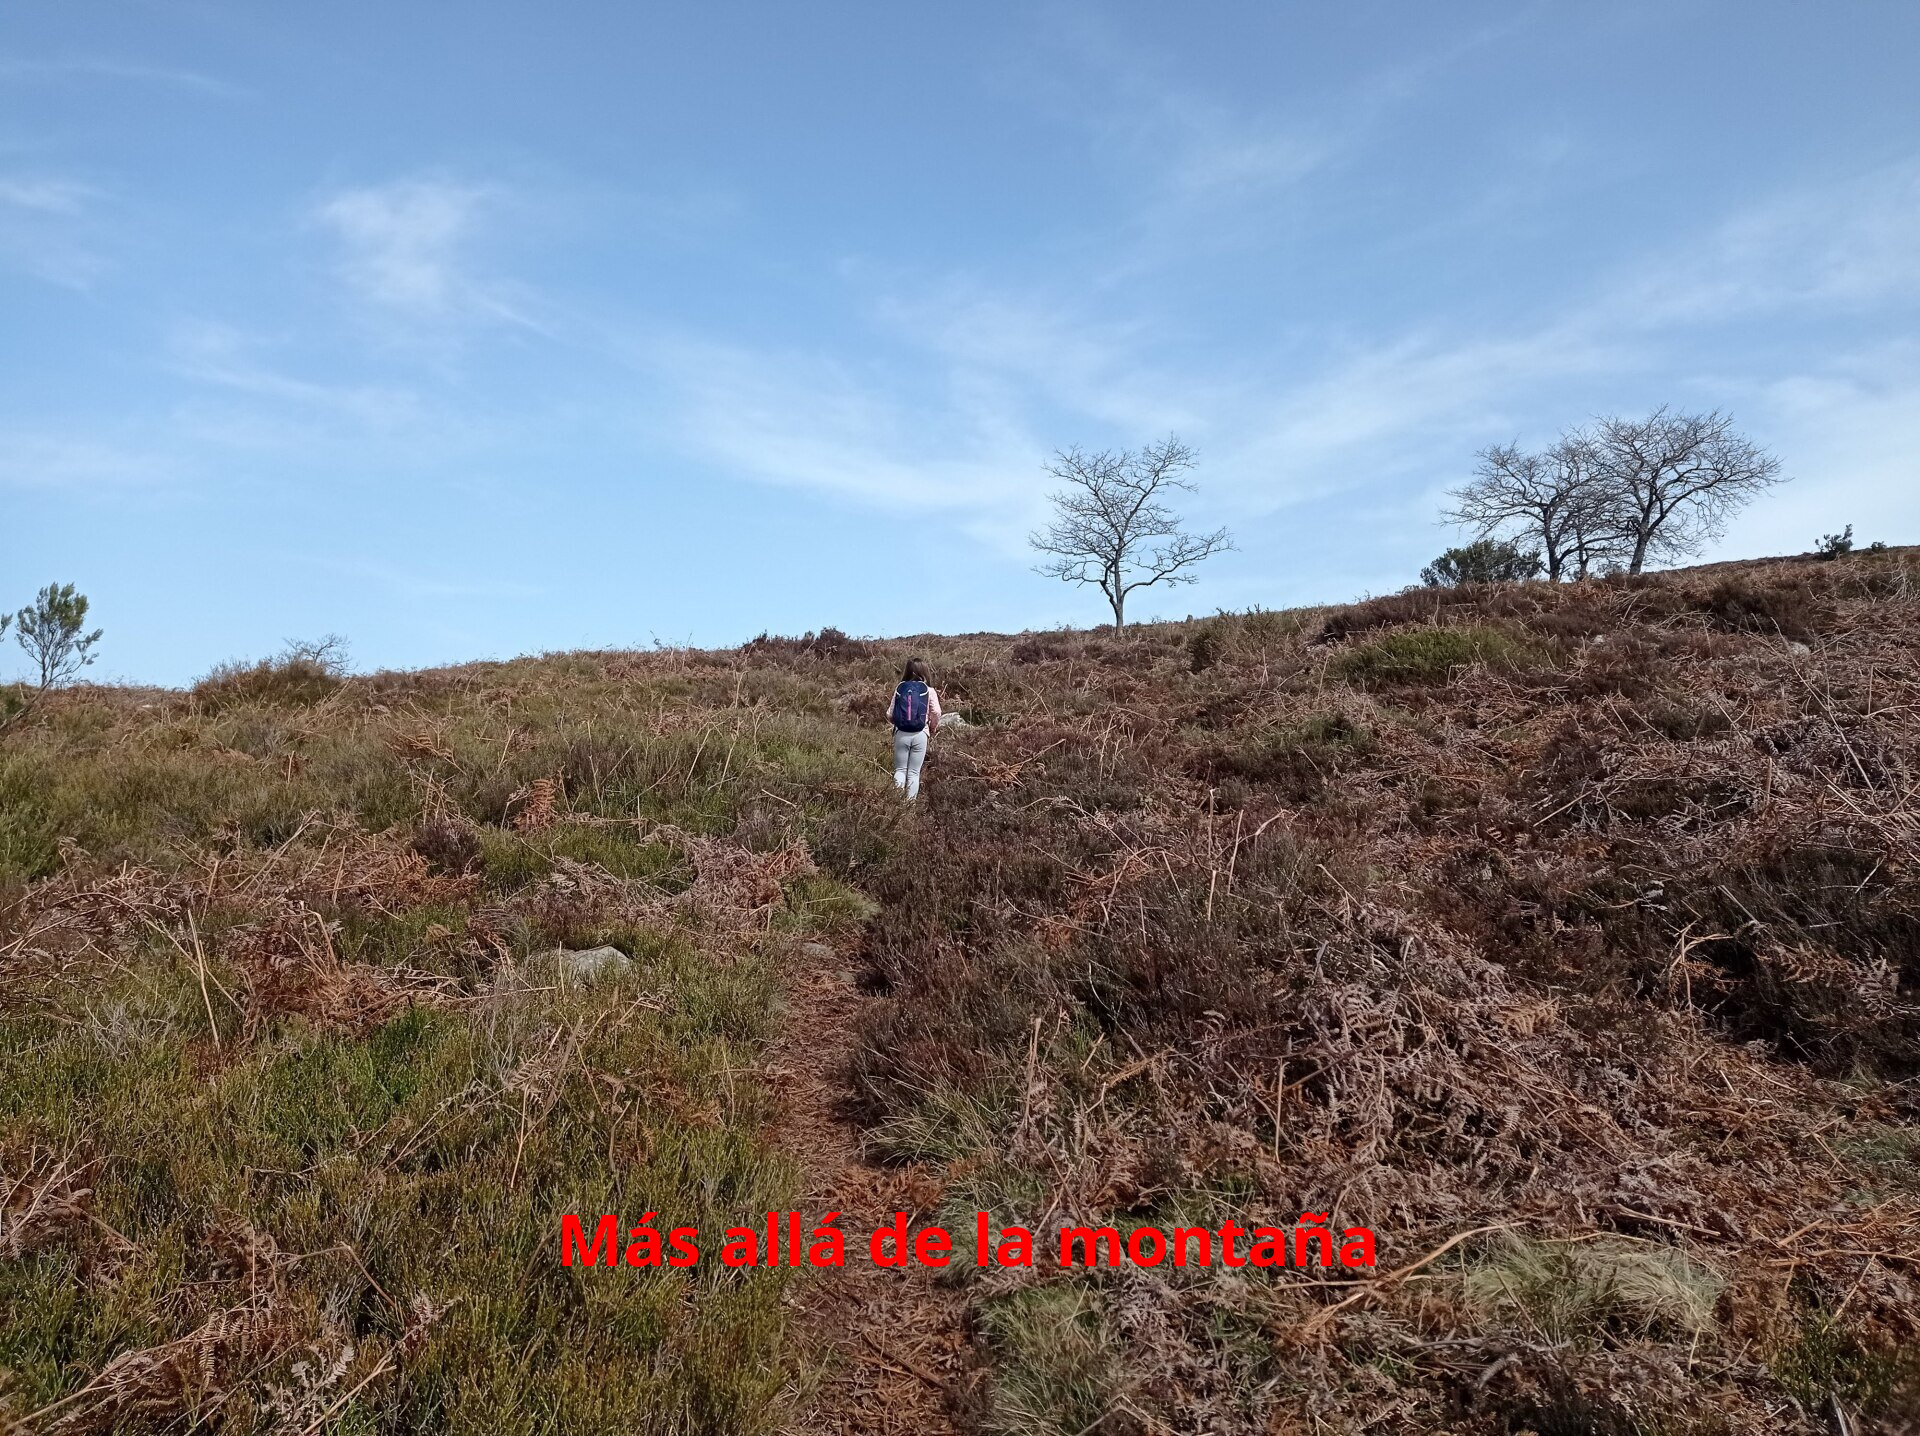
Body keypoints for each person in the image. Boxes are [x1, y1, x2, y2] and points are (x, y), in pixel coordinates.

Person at [886, 658, 941, 801]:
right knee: (914, 773)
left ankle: (896, 804)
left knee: (900, 770)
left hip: (901, 733)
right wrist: (932, 727)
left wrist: (898, 722)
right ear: (925, 671)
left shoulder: (900, 688)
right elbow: (936, 712)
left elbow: (890, 714)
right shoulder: (929, 690)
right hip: (921, 733)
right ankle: (910, 806)